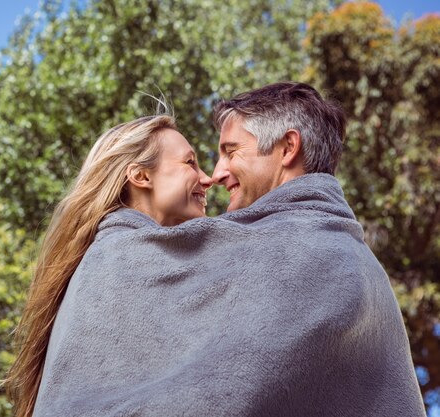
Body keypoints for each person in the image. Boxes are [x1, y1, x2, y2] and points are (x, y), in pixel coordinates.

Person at [28, 82, 426, 417]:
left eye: (230, 151)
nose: (214, 175)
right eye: (196, 161)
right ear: (139, 176)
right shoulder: (350, 258)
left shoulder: (315, 256)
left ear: (288, 149)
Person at [3, 113, 213, 417]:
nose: (207, 178)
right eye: (190, 163)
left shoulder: (106, 260)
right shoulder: (121, 260)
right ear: (141, 176)